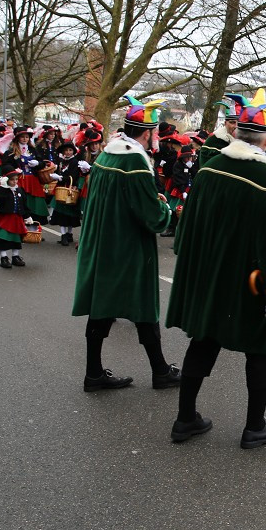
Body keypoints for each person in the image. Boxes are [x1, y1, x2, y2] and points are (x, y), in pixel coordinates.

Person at [166, 99, 266, 446]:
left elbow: (188, 227)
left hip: (210, 277)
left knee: (205, 339)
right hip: (249, 282)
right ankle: (255, 425)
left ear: (235, 132)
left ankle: (185, 418)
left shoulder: (208, 171)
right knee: (261, 348)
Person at [71, 98, 181, 392]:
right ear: (147, 132)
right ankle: (159, 371)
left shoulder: (108, 154)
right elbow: (150, 216)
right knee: (143, 308)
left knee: (102, 307)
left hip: (103, 242)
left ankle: (95, 372)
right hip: (127, 246)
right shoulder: (135, 160)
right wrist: (164, 209)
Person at [50, 141, 90, 247]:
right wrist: (57, 176)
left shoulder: (74, 162)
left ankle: (69, 234)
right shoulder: (62, 161)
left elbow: (74, 176)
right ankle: (64, 235)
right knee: (61, 213)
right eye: (66, 150)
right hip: (61, 189)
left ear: (73, 152)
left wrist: (61, 178)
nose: (68, 152)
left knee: (70, 213)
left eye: (70, 150)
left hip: (70, 189)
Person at [0, 166, 32, 268]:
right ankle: (3, 258)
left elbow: (24, 204)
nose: (15, 182)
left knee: (16, 239)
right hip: (6, 218)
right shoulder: (1, 191)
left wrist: (27, 216)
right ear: (6, 180)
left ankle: (15, 256)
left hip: (17, 218)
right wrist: (4, 187)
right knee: (3, 238)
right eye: (12, 180)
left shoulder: (20, 190)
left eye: (16, 179)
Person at [198, 96, 241, 168]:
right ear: (225, 123)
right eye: (232, 122)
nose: (236, 126)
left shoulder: (245, 142)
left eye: (239, 123)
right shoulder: (213, 142)